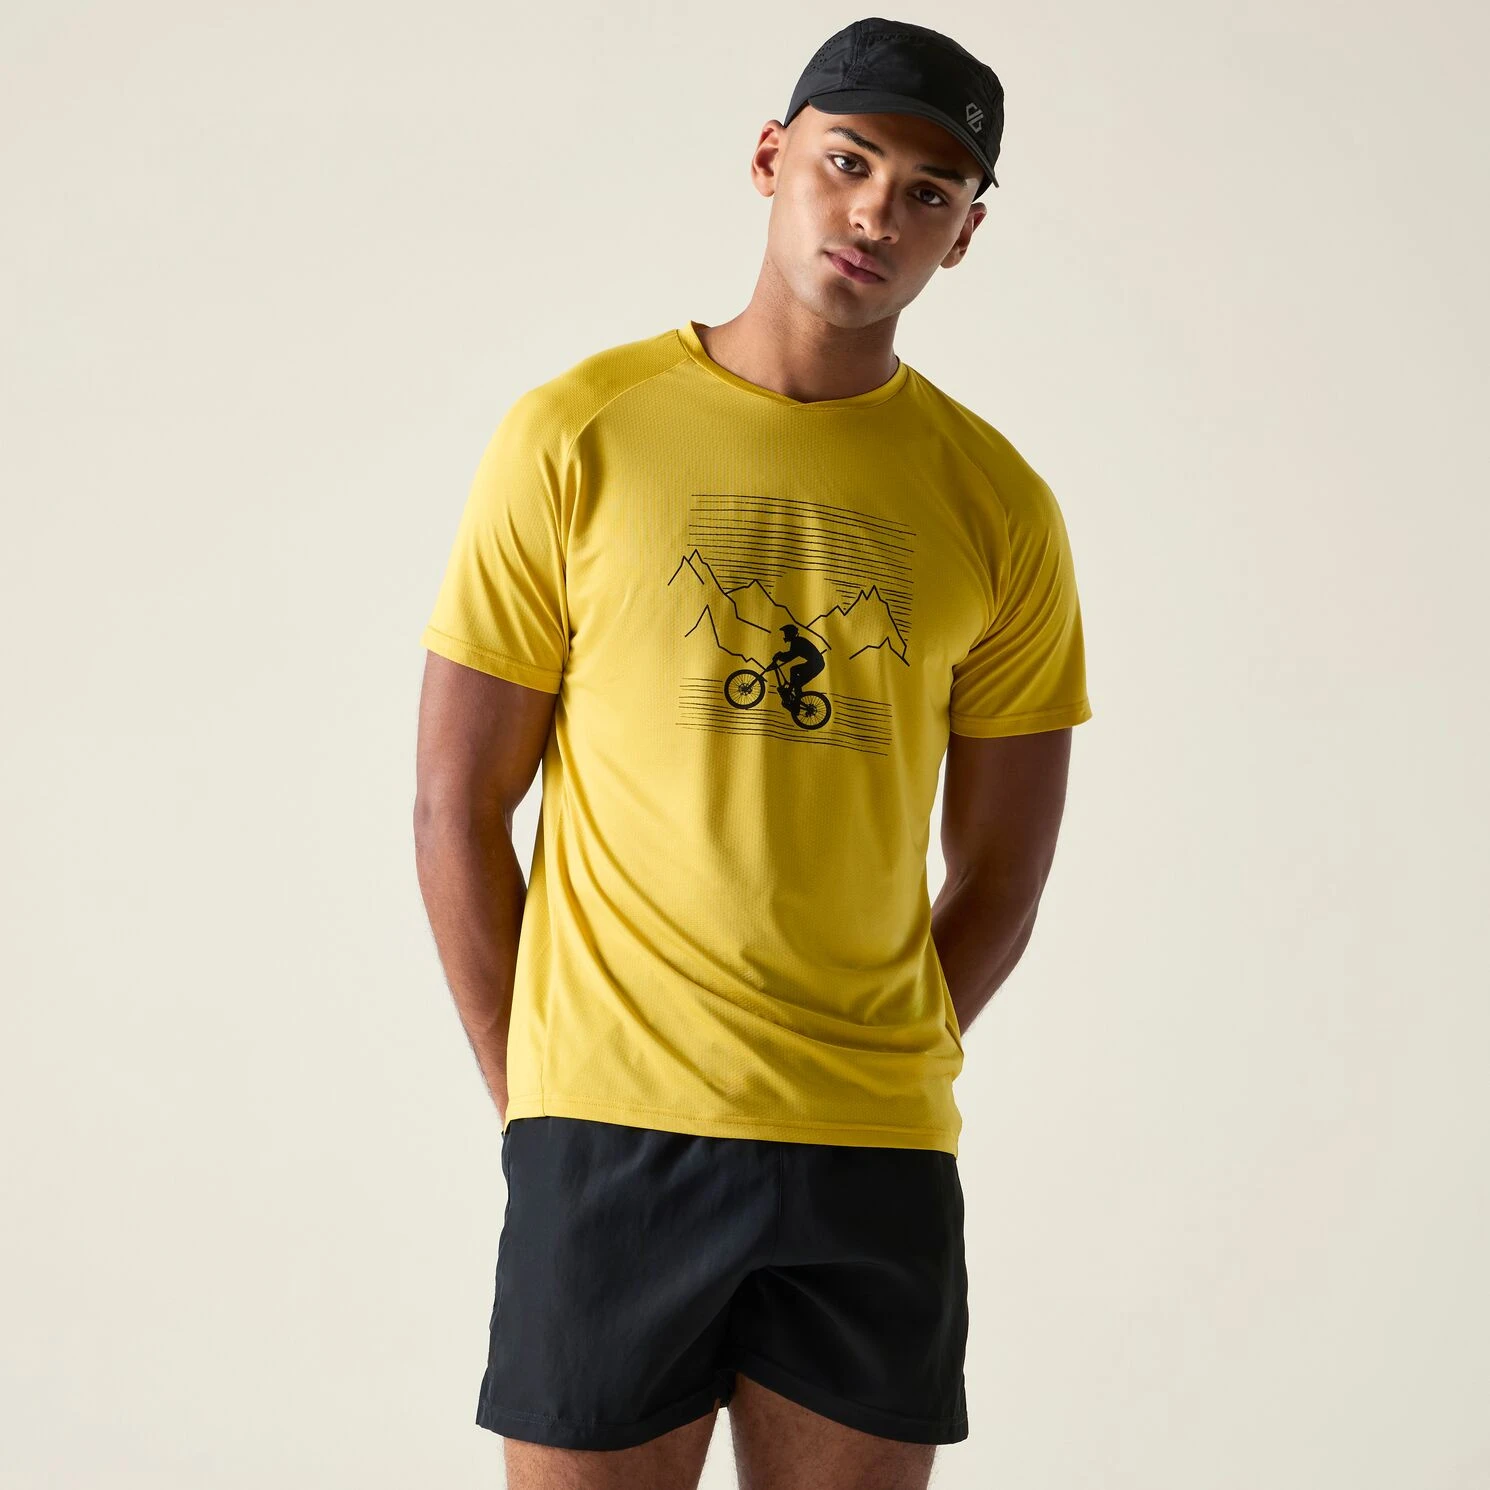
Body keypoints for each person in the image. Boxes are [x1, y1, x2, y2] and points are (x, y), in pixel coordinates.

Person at [413, 17, 1093, 1490]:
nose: (876, 211)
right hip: (606, 1129)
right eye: (848, 162)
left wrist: (882, 1056)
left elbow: (1002, 869)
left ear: (964, 235)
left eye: (927, 192)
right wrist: (528, 1087)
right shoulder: (577, 434)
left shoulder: (997, 504)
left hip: (872, 1151)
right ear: (771, 158)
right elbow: (457, 800)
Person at [768, 623, 825, 711]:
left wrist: (780, 656)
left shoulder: (797, 642)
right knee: (796, 679)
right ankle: (792, 699)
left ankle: (793, 701)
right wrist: (780, 656)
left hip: (816, 664)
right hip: (815, 663)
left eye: (786, 633)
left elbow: (790, 656)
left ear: (791, 633)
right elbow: (790, 655)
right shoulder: (797, 641)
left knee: (795, 674)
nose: (785, 635)